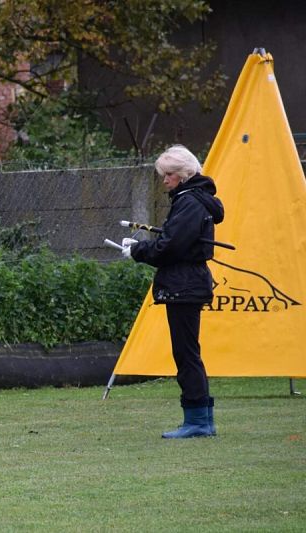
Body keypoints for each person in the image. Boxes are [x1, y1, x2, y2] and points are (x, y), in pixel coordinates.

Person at [124, 145, 224, 439]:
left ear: (183, 175)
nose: (164, 181)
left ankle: (198, 421)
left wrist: (138, 251)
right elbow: (174, 240)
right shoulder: (192, 200)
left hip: (184, 283)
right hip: (187, 282)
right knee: (187, 352)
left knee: (186, 353)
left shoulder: (189, 203)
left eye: (168, 175)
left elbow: (171, 246)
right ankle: (200, 418)